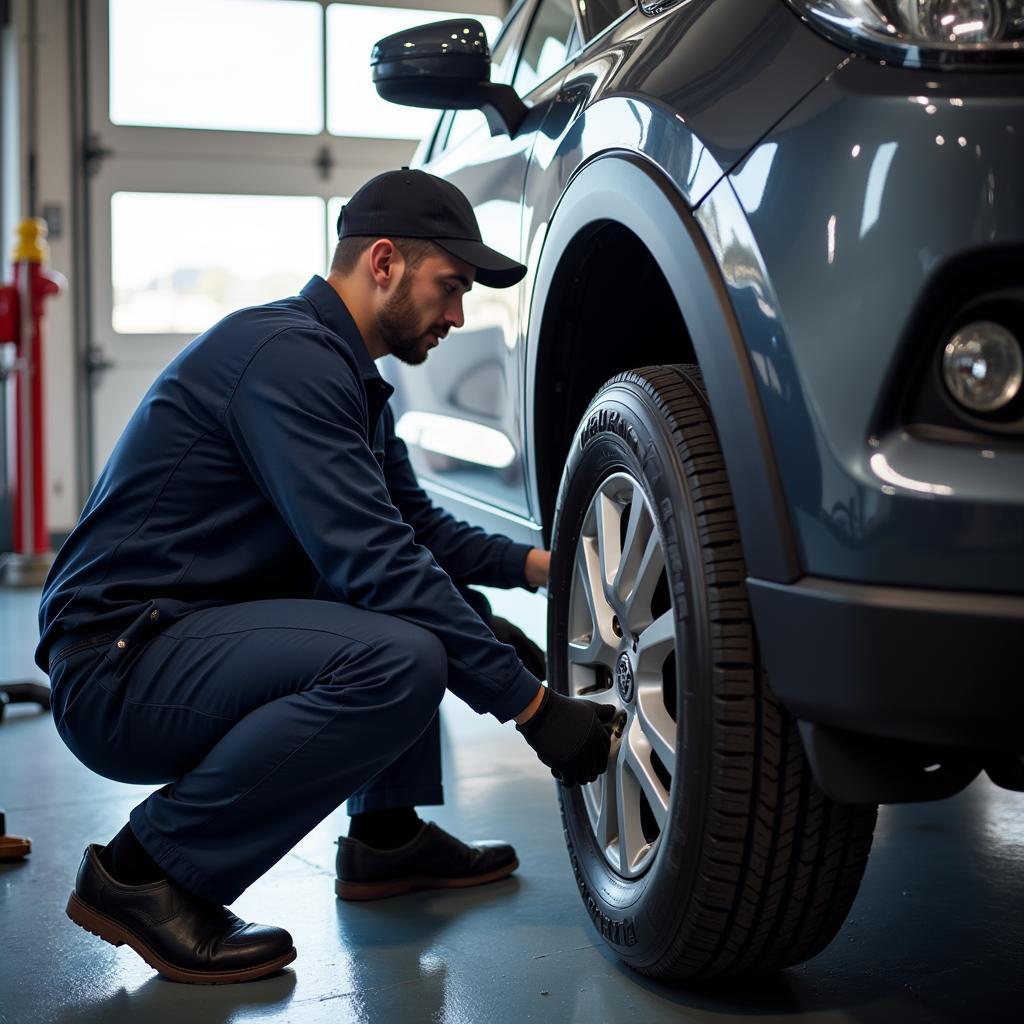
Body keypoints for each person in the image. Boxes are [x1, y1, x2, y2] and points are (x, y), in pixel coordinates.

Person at [36, 168, 616, 985]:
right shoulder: (288, 361)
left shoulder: (344, 377)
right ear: (383, 261)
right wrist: (530, 707)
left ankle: (386, 838)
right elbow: (377, 563)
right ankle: (146, 873)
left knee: (435, 620)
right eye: (450, 287)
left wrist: (538, 569)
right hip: (118, 665)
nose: (458, 315)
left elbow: (414, 529)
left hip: (178, 636)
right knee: (400, 651)